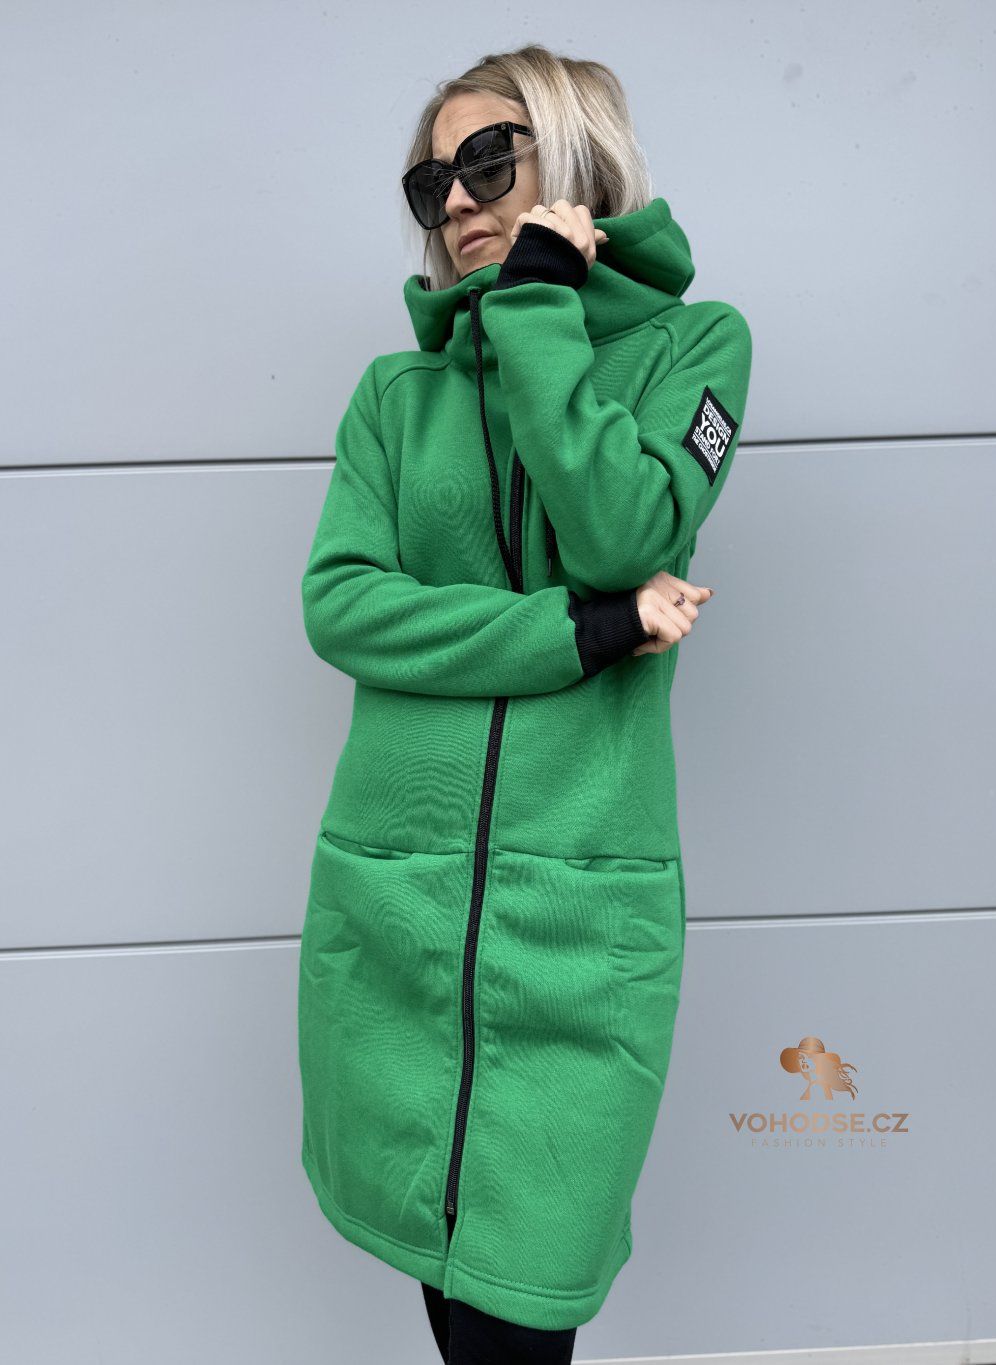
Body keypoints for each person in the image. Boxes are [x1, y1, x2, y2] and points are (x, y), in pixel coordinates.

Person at [297, 41, 752, 1364]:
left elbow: (622, 531)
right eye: (431, 180)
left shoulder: (695, 348)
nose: (455, 201)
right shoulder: (397, 395)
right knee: (443, 1293)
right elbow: (342, 606)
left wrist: (542, 308)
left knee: (525, 1297)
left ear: (576, 153)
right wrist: (579, 632)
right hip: (398, 906)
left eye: (490, 161)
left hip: (579, 914)